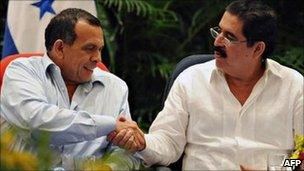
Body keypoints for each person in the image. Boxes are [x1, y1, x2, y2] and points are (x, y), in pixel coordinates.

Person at [109, 0, 303, 170]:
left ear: (258, 48)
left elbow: (300, 158)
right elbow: (168, 142)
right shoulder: (191, 80)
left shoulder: (294, 87)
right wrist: (143, 142)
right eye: (219, 31)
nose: (217, 42)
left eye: (230, 37)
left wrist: (278, 169)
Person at [0, 8, 143, 169]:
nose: (98, 58)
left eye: (100, 49)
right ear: (60, 48)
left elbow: (126, 153)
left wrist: (108, 168)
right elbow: (37, 123)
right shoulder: (21, 71)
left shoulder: (115, 87)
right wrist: (110, 124)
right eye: (90, 48)